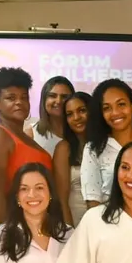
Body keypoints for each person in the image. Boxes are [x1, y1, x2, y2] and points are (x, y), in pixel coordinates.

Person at [0, 67, 57, 234]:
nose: (19, 102)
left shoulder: (25, 136)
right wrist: (10, 237)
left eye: (24, 97)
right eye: (10, 98)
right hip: (9, 230)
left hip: (33, 226)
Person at [80, 78, 132, 209]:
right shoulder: (93, 149)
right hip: (108, 224)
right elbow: (92, 200)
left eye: (121, 104)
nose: (115, 113)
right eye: (107, 108)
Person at [53, 91, 92, 227]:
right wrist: (69, 234)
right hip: (76, 225)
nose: (76, 117)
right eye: (69, 114)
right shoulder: (64, 149)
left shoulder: (107, 144)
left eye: (82, 111)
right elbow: (62, 200)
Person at [27, 76, 74, 156]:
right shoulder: (31, 133)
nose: (58, 101)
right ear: (44, 100)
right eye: (52, 96)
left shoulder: (81, 132)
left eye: (64, 97)